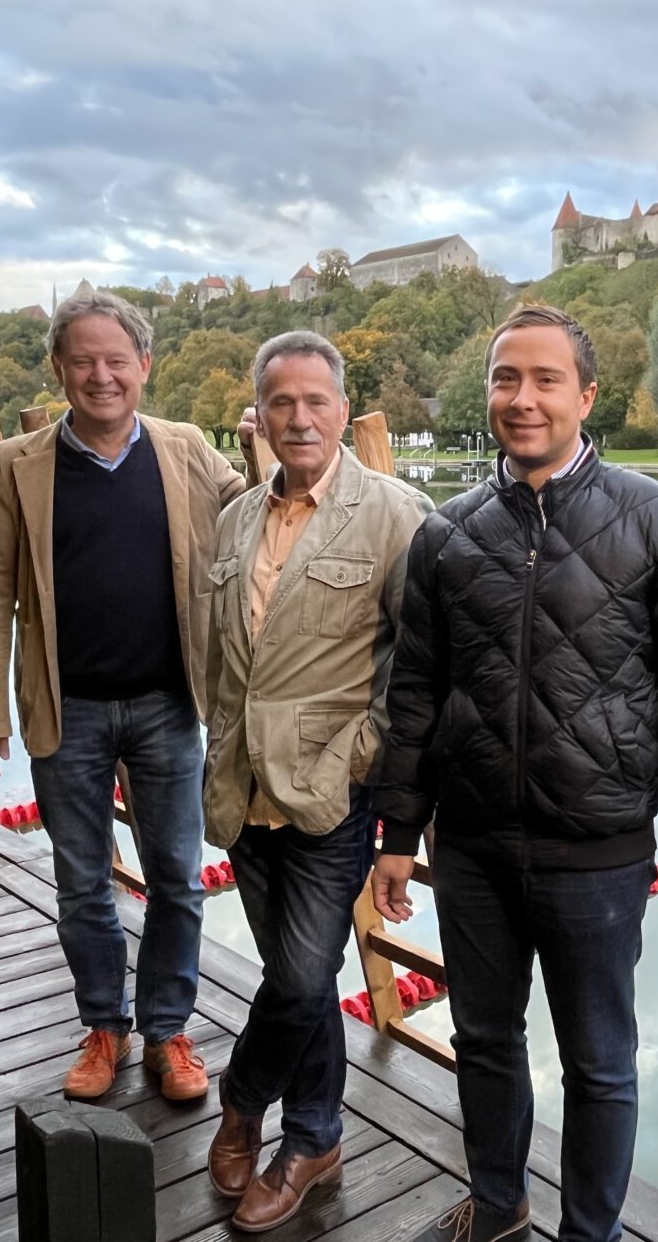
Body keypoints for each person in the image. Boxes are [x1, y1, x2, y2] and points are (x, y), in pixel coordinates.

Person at [372, 302, 658, 1242]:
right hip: (476, 846)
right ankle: (497, 1207)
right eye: (505, 379)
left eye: (543, 380)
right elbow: (413, 692)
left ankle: (591, 1234)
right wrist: (399, 834)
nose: (521, 399)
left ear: (587, 395)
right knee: (484, 1042)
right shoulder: (446, 537)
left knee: (600, 1062)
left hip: (598, 852)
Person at [0, 289, 244, 1103]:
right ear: (59, 370)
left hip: (167, 703)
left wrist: (276, 452)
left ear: (144, 367)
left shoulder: (186, 449)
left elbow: (256, 517)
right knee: (82, 879)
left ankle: (167, 1030)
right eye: (83, 360)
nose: (101, 376)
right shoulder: (13, 466)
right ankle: (103, 1026)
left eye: (116, 360)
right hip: (67, 705)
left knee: (178, 879)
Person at [200, 332, 432, 1231]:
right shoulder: (233, 522)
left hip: (333, 793)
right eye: (281, 403)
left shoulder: (396, 514)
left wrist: (362, 755)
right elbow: (220, 661)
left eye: (317, 401)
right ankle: (314, 1140)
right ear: (258, 415)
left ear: (343, 406)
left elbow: (414, 669)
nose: (299, 418)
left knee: (301, 977)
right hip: (244, 790)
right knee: (292, 981)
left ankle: (242, 1103)